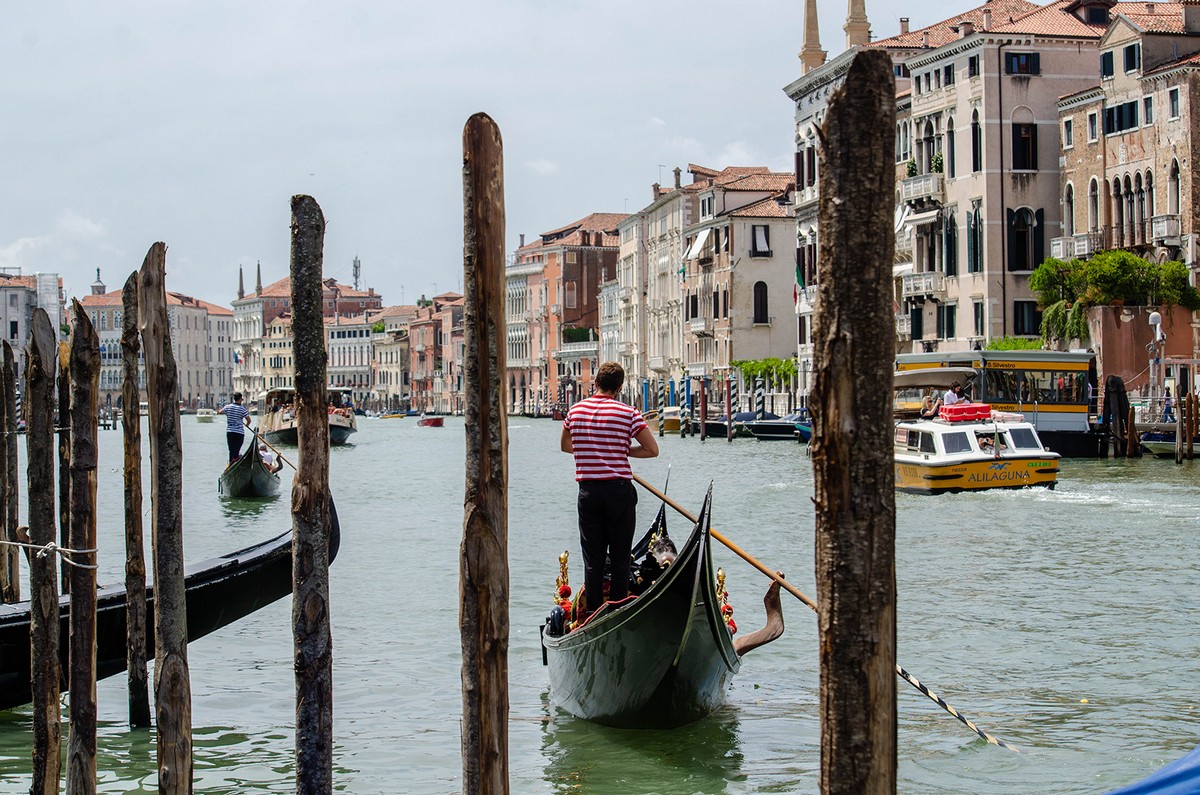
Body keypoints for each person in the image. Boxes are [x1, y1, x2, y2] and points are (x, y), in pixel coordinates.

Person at [560, 362, 659, 621]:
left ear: (596, 383)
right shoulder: (629, 413)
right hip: (618, 492)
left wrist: (592, 451)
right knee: (619, 555)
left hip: (589, 492)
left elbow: (566, 446)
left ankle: (593, 613)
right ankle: (617, 609)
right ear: (619, 387)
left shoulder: (575, 411)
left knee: (592, 558)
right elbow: (652, 450)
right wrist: (622, 451)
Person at [217, 392, 251, 465]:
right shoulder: (242, 409)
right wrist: (246, 425)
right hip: (239, 433)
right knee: (236, 450)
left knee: (231, 450)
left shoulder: (228, 407)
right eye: (242, 399)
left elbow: (219, 412)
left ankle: (231, 464)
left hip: (230, 432)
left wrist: (225, 413)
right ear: (240, 399)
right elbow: (249, 420)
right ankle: (234, 462)